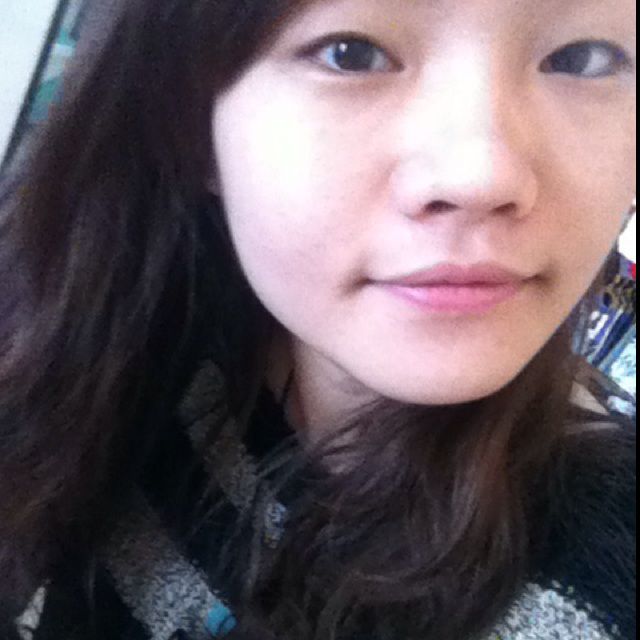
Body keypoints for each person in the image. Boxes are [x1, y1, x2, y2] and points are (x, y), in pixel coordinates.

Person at [0, 0, 636, 638]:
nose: (481, 176)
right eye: (351, 53)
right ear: (191, 127)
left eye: (582, 59)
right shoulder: (94, 356)